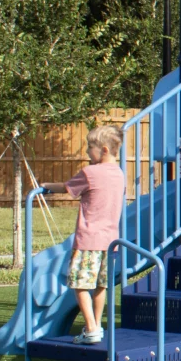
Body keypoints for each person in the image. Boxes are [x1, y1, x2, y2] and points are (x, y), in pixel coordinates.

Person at [43, 125, 125, 344]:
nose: (88, 152)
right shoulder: (119, 174)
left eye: (91, 147)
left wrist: (46, 186)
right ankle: (96, 327)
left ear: (104, 149)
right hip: (110, 241)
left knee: (79, 285)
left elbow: (67, 188)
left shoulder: (91, 173)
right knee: (100, 286)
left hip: (88, 239)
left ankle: (90, 328)